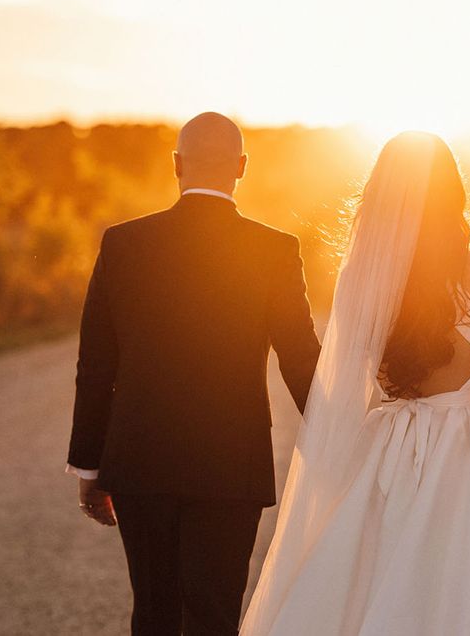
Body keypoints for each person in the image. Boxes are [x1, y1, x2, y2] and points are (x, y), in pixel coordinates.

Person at [240, 132, 470, 635]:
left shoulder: (365, 274)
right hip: (466, 454)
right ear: (454, 192)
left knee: (378, 580)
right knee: (461, 581)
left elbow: (344, 388)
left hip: (386, 447)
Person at [65, 112, 321, 635]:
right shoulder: (274, 249)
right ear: (242, 167)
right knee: (215, 613)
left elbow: (95, 365)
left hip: (139, 461)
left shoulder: (123, 243)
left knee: (154, 612)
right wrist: (347, 441)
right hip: (232, 463)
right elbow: (301, 360)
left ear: (177, 164)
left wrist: (90, 468)